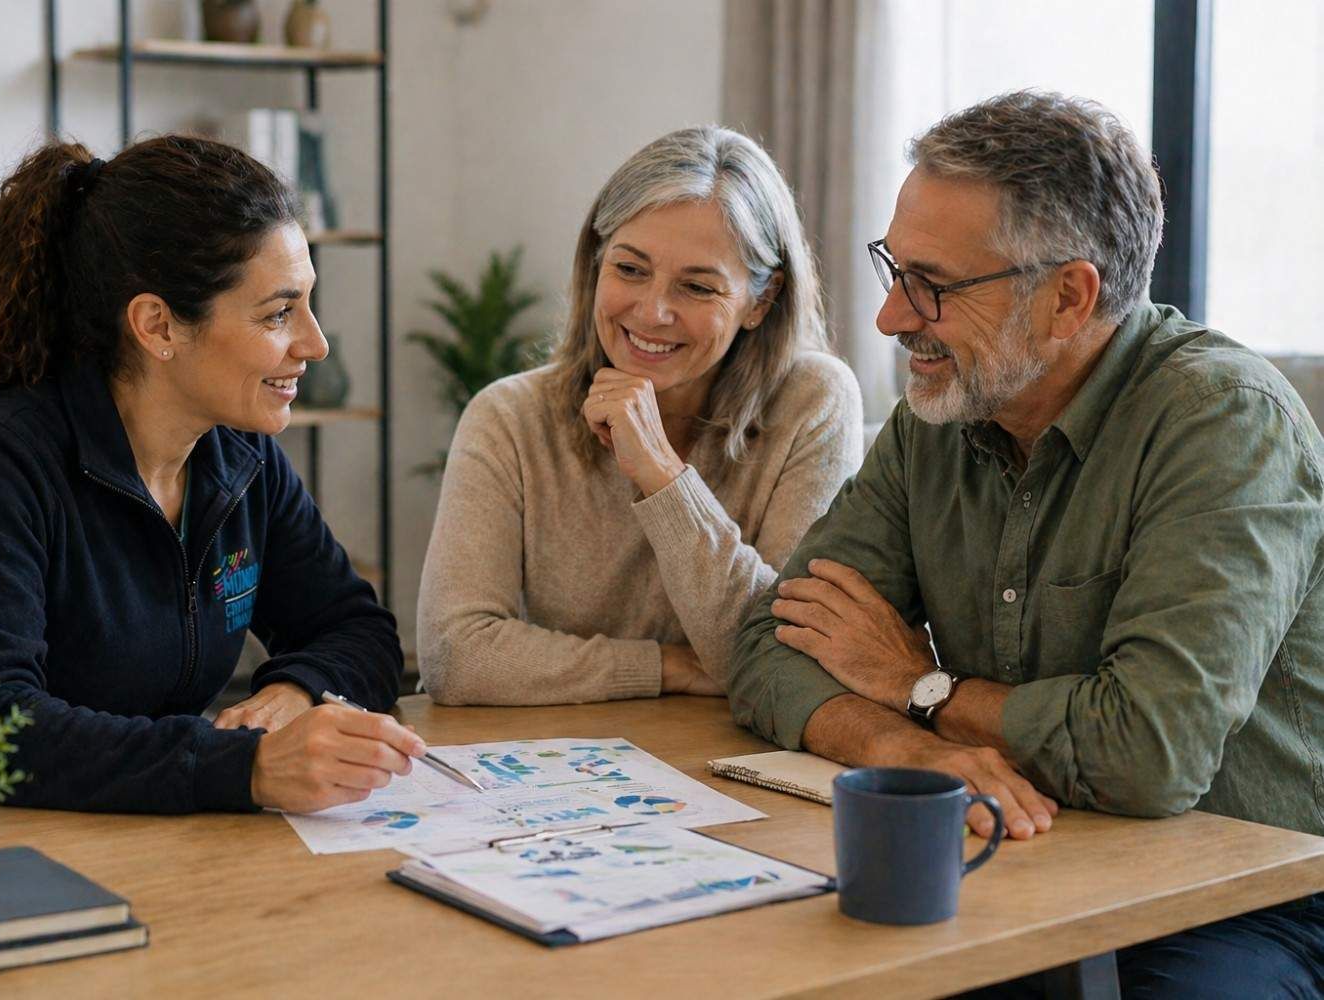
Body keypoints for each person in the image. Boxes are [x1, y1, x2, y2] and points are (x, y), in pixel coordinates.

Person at [729, 90, 1323, 995]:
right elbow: (771, 645)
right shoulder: (939, 414)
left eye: (932, 285)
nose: (891, 317)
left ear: (1067, 298)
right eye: (894, 268)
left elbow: (1150, 754)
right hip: (1024, 859)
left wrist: (919, 687)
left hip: (1243, 900)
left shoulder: (1223, 422)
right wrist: (910, 751)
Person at [0, 136, 425, 816]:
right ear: (158, 326)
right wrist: (242, 767)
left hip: (141, 834)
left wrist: (296, 692)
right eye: (279, 313)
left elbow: (359, 630)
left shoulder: (242, 460)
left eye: (307, 304)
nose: (316, 343)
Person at [417, 126, 862, 705]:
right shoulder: (509, 416)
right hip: (564, 748)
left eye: (697, 287)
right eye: (629, 269)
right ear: (595, 263)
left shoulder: (814, 401)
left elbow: (787, 658)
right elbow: (454, 654)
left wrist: (663, 476)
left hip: (738, 749)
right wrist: (667, 667)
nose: (652, 312)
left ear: (762, 300)